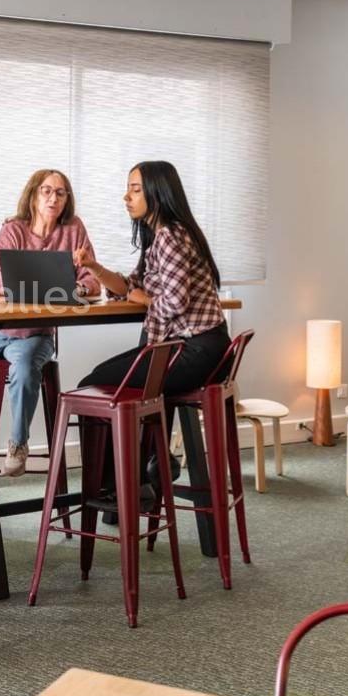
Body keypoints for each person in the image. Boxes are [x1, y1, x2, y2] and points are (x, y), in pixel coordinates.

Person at [73, 160, 230, 501]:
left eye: (134, 189)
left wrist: (139, 296)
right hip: (191, 347)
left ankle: (119, 488)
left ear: (157, 193)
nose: (126, 197)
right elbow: (130, 285)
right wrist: (93, 267)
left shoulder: (171, 236)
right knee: (102, 380)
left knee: (93, 384)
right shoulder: (159, 236)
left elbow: (173, 302)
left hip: (196, 351)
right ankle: (146, 469)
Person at [0, 169, 100, 498]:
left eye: (60, 193)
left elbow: (93, 278)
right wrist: (41, 287)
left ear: (67, 199)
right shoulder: (13, 230)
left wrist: (75, 285)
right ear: (33, 195)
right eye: (47, 191)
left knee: (23, 369)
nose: (53, 198)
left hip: (34, 334)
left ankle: (18, 445)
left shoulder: (74, 230)